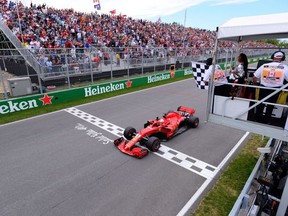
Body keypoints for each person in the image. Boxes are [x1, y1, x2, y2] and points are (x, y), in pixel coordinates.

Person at [253, 51, 288, 124]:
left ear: (273, 57)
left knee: (260, 104)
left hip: (263, 88)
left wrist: (255, 84)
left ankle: (257, 119)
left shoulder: (264, 65)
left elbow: (255, 77)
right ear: (283, 58)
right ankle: (266, 121)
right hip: (276, 89)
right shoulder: (285, 67)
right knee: (270, 106)